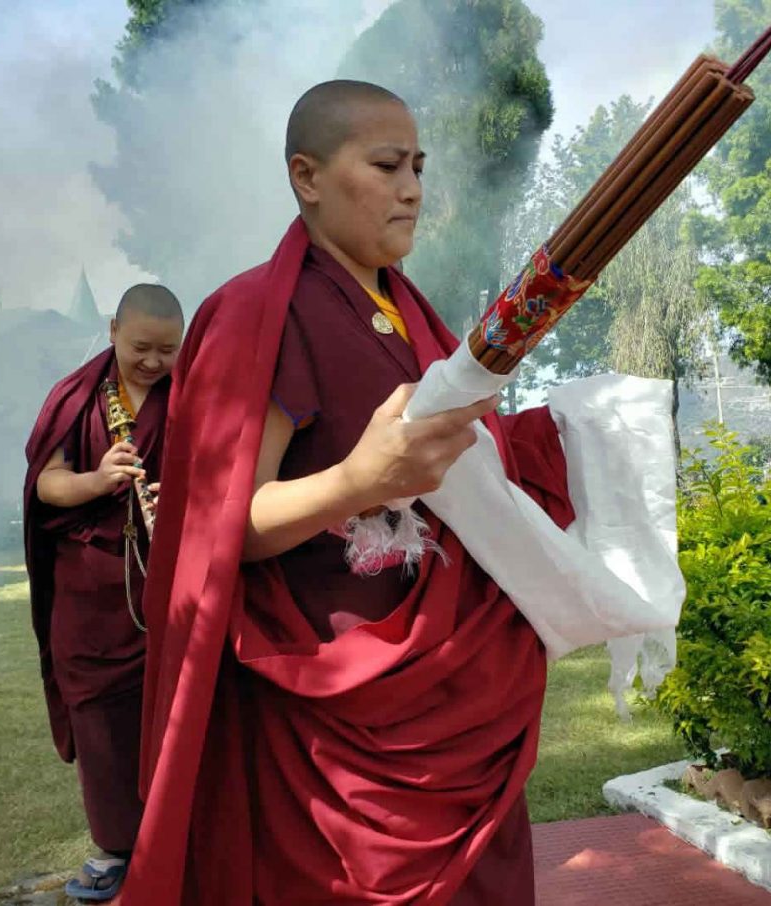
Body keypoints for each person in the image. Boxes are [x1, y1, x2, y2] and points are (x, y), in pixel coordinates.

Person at [119, 81, 574, 905]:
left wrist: (568, 432)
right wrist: (356, 482)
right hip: (335, 710)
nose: (413, 189)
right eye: (387, 164)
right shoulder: (259, 312)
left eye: (419, 167)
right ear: (308, 176)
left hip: (451, 690)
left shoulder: (413, 315)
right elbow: (228, 526)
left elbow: (465, 468)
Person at [23, 285, 183, 902]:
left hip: (165, 583)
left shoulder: (189, 394)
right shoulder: (76, 397)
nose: (153, 362)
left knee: (173, 709)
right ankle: (116, 847)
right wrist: (99, 479)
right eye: (141, 346)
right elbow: (48, 485)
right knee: (99, 724)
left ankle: (176, 833)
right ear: (113, 329)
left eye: (168, 350)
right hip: (89, 591)